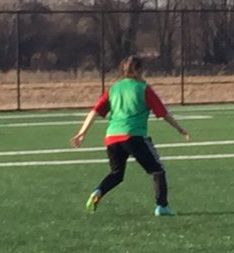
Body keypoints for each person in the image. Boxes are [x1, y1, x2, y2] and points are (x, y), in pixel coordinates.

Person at [70, 55, 191, 217]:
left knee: (117, 174)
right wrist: (180, 129)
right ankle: (162, 206)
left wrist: (82, 133)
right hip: (133, 136)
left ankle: (98, 191)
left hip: (112, 137)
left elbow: (95, 111)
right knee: (157, 171)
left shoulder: (114, 88)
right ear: (140, 70)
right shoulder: (143, 88)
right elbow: (163, 113)